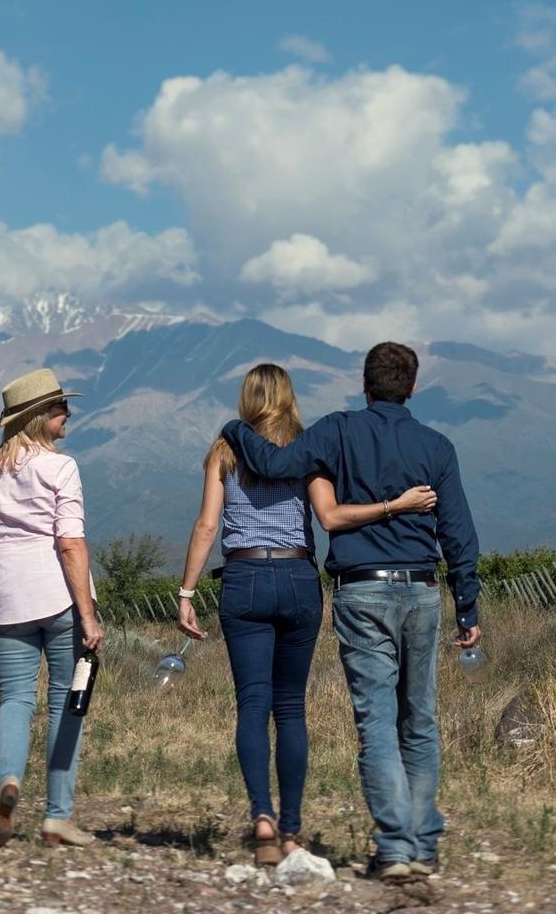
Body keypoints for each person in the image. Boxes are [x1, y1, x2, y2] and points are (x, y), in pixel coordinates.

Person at [221, 343, 481, 881]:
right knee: (422, 720)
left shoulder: (337, 431)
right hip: (422, 590)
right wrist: (467, 605)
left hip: (362, 592)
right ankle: (423, 843)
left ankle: (394, 847)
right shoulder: (437, 445)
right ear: (412, 387)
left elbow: (271, 463)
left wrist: (233, 426)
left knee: (378, 723)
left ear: (364, 384)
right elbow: (458, 532)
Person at [176, 363, 437, 866]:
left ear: (247, 399)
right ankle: (293, 829)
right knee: (291, 708)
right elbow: (328, 514)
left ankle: (263, 820)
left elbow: (207, 526)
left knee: (253, 704)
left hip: (244, 578)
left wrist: (186, 592)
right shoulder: (308, 447)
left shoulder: (224, 452)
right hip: (298, 580)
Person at [0, 368, 104, 848]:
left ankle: (9, 781)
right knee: (67, 701)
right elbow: (70, 543)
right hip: (60, 598)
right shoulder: (61, 467)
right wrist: (87, 615)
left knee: (16, 700)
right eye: (61, 407)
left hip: (6, 603)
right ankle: (57, 817)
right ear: (40, 416)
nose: (68, 414)